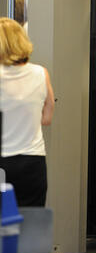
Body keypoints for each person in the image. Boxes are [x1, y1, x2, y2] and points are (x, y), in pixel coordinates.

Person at [0, 17, 55, 206]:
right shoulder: (41, 73)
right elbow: (47, 118)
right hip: (33, 163)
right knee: (30, 230)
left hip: (3, 162)